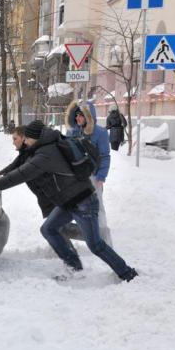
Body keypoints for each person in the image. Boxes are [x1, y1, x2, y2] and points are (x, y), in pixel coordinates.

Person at [0, 120, 137, 282]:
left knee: (96, 245)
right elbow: (19, 166)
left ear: (34, 137)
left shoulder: (46, 154)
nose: (24, 141)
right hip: (69, 202)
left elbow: (23, 174)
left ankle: (127, 273)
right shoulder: (41, 149)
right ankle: (74, 268)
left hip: (83, 201)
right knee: (49, 229)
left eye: (26, 138)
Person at [65, 100, 113, 246]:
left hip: (93, 177)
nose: (77, 119)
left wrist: (101, 177)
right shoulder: (72, 132)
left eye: (81, 115)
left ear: (88, 116)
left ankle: (104, 238)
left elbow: (105, 156)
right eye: (76, 115)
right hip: (76, 177)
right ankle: (80, 234)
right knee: (74, 206)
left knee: (97, 207)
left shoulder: (100, 133)